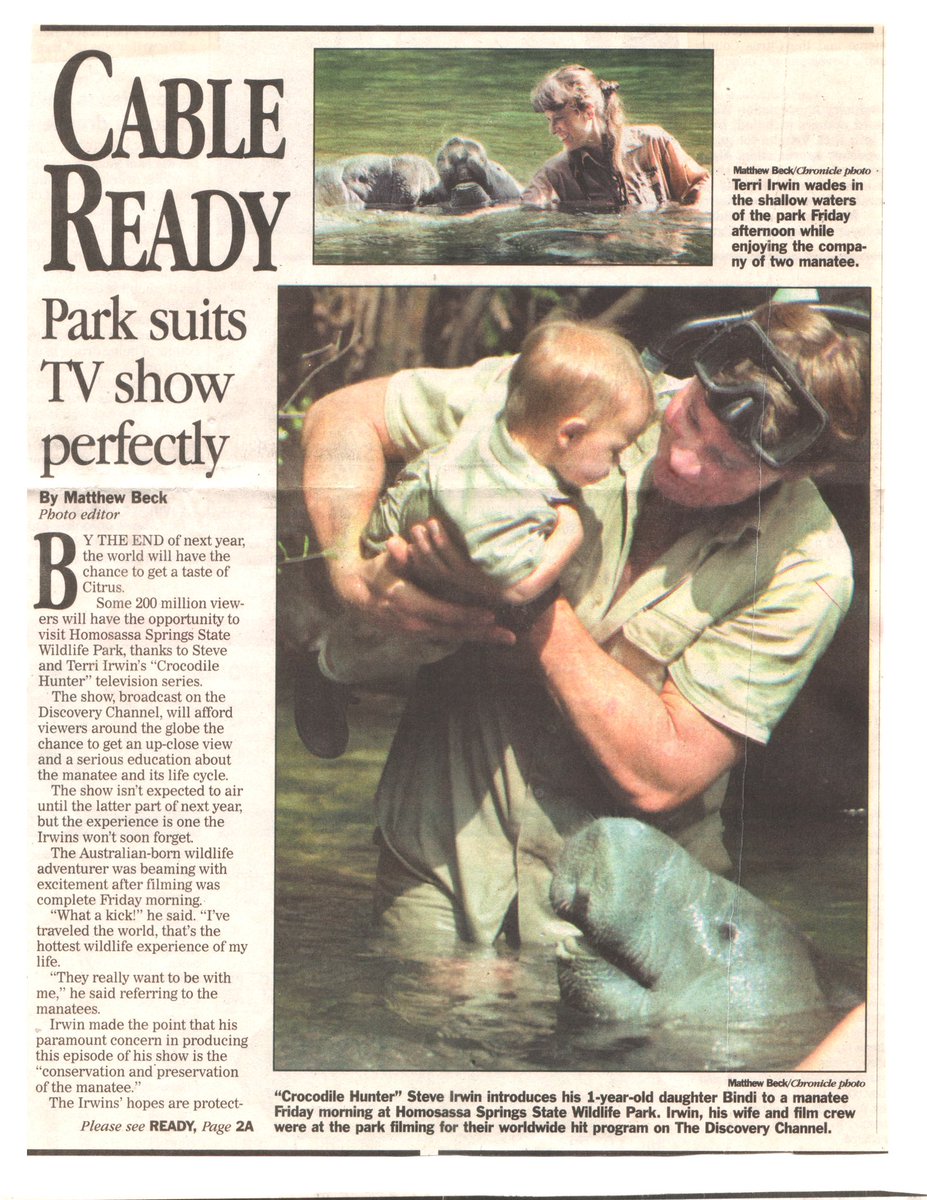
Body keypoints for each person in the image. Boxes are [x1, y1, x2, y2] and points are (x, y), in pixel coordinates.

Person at [300, 301, 869, 947]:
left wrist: (528, 601)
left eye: (730, 465)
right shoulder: (586, 394)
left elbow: (663, 774)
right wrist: (347, 570)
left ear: (795, 473)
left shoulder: (806, 568)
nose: (685, 461)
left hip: (628, 917)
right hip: (440, 857)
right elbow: (343, 415)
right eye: (689, 418)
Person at [296, 322, 654, 758]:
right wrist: (570, 528)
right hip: (403, 570)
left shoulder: (517, 418)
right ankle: (326, 671)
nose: (618, 464)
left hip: (421, 517)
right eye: (615, 450)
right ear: (570, 434)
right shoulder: (497, 498)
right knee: (414, 639)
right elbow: (518, 585)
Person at [521, 64, 710, 212]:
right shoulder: (554, 173)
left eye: (559, 119)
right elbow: (525, 207)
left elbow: (703, 184)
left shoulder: (654, 142)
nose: (553, 130)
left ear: (588, 111)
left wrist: (689, 213)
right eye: (549, 120)